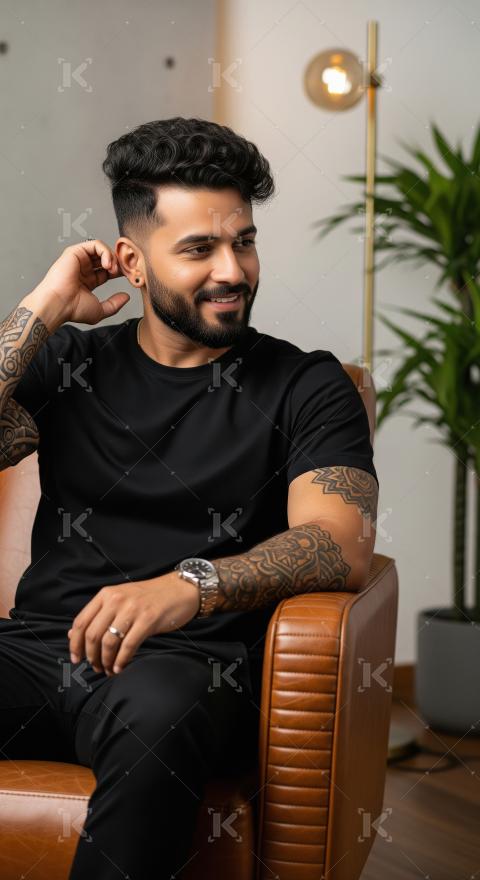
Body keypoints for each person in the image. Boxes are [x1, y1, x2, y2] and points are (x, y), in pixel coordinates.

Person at [0, 116, 379, 879]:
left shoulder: (307, 385)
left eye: (242, 240)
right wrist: (42, 307)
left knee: (158, 716)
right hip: (40, 651)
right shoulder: (71, 364)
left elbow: (340, 542)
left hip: (187, 670)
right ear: (133, 265)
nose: (233, 270)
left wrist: (189, 587)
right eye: (199, 249)